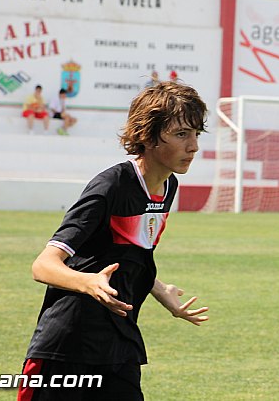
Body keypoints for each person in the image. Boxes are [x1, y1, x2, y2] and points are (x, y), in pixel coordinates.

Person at [17, 81, 210, 401]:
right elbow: (43, 265)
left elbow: (128, 253)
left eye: (196, 135)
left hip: (119, 348)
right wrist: (89, 283)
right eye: (181, 134)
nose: (193, 146)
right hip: (66, 350)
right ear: (148, 135)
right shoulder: (111, 185)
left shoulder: (167, 187)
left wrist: (161, 290)